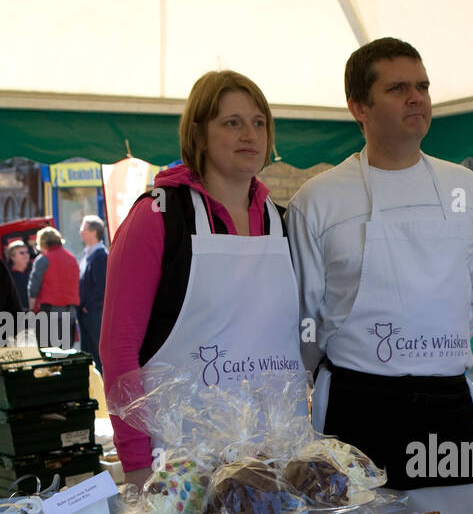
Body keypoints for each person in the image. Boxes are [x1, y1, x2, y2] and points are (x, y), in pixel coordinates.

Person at [286, 38, 473, 514]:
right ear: (358, 107)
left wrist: (427, 350)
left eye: (423, 86)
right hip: (355, 408)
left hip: (447, 409)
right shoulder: (318, 199)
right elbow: (303, 317)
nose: (417, 98)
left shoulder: (465, 190)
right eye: (398, 88)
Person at [100, 69, 303, 487]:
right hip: (181, 470)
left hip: (278, 462)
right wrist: (137, 465)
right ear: (198, 134)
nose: (249, 133)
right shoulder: (157, 216)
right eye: (231, 122)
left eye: (259, 122)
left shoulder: (284, 223)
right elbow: (119, 350)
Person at [29, 227, 80, 349]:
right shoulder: (72, 258)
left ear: (42, 243)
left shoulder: (43, 260)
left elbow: (33, 289)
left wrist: (32, 310)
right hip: (70, 313)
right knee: (66, 353)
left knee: (48, 353)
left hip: (49, 312)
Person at [78, 215, 108, 372]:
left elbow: (102, 286)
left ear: (94, 231)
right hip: (86, 313)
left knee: (97, 353)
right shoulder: (87, 254)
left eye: (83, 228)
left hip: (94, 313)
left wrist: (88, 306)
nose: (80, 232)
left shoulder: (100, 255)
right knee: (87, 352)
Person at [4, 239, 32, 308]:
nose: (26, 255)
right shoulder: (7, 276)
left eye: (27, 252)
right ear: (12, 257)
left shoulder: (33, 272)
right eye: (22, 253)